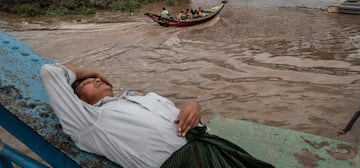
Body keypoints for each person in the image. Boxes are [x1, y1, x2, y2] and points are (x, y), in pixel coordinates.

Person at [40, 63, 274, 168]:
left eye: (97, 78)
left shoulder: (146, 98)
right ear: (77, 101)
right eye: (88, 83)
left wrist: (193, 105)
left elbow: (190, 122)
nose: (97, 80)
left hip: (212, 147)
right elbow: (50, 72)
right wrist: (92, 70)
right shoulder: (88, 121)